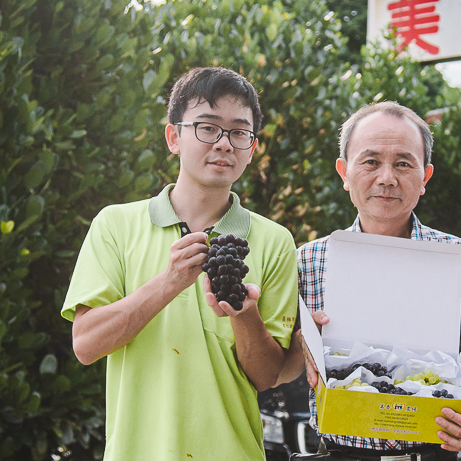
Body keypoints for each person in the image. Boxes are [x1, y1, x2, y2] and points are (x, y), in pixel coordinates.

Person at [61, 67, 299, 461]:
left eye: (239, 132)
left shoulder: (275, 241)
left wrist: (244, 314)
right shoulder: (115, 225)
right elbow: (86, 345)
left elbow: (266, 376)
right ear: (174, 137)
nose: (224, 144)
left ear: (251, 148)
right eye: (208, 127)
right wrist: (169, 282)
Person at [278, 101, 461, 460]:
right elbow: (277, 367)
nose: (386, 177)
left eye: (403, 163)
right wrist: (301, 344)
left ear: (425, 177)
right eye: (370, 161)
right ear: (344, 172)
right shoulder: (306, 262)